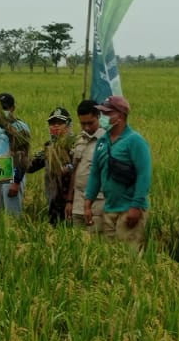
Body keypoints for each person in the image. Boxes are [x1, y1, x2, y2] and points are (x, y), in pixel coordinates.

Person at [84, 95, 152, 251]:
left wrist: (136, 207)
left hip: (129, 210)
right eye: (102, 113)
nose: (103, 118)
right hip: (109, 208)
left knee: (129, 258)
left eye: (108, 114)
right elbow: (95, 173)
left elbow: (144, 175)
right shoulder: (102, 141)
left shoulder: (135, 141)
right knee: (111, 256)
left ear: (120, 116)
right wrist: (88, 202)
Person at [25, 107, 76, 226]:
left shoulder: (75, 145)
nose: (56, 126)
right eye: (52, 124)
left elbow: (81, 168)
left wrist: (68, 169)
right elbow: (31, 167)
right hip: (53, 200)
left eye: (60, 123)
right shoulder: (49, 147)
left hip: (72, 199)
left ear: (68, 125)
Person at [70, 99, 108, 233]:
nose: (86, 127)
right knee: (76, 240)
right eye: (82, 123)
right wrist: (69, 201)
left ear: (98, 116)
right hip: (78, 200)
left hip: (97, 201)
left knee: (94, 241)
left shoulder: (106, 140)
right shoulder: (79, 139)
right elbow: (75, 171)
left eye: (90, 123)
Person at [0, 92, 31, 217]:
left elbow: (23, 154)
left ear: (12, 108)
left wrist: (16, 181)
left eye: (5, 108)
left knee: (12, 215)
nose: (3, 111)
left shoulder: (20, 127)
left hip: (12, 175)